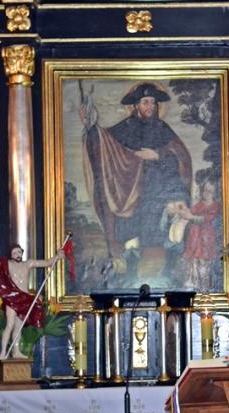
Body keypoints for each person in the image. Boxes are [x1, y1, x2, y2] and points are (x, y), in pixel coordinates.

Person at [80, 82, 193, 282]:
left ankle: (165, 276)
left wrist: (157, 155)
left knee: (161, 238)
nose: (151, 106)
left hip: (158, 194)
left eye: (153, 102)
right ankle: (128, 276)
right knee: (131, 242)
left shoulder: (162, 128)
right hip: (131, 194)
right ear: (136, 105)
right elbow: (104, 144)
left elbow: (181, 157)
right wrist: (90, 127)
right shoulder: (125, 128)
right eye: (146, 102)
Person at [0, 245, 63, 360]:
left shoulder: (28, 263)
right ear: (11, 255)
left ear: (22, 253)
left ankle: (16, 352)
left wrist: (57, 256)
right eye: (14, 253)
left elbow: (47, 263)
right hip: (12, 299)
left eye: (19, 252)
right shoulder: (8, 265)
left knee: (18, 327)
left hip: (24, 299)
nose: (17, 255)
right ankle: (3, 352)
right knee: (9, 325)